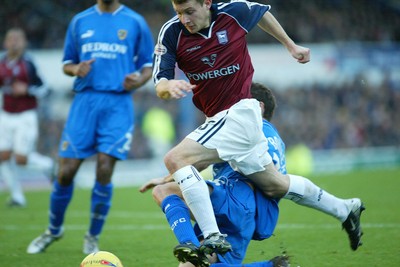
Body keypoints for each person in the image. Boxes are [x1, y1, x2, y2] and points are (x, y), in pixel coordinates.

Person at [153, 0, 364, 254]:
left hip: (240, 113)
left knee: (175, 158)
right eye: (178, 13)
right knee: (275, 184)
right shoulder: (172, 32)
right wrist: (168, 88)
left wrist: (290, 44)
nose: (184, 19)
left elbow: (262, 14)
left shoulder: (234, 12)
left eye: (189, 11)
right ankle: (344, 208)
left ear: (207, 3)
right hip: (219, 121)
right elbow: (160, 81)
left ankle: (212, 235)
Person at [27, 0, 154, 254]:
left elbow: (148, 66)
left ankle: (92, 236)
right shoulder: (80, 21)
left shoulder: (135, 22)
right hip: (84, 102)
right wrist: (77, 68)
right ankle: (54, 229)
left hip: (118, 104)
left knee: (104, 168)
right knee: (66, 172)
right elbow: (67, 63)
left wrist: (138, 80)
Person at [140, 82, 289, 267]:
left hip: (233, 200)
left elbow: (197, 158)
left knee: (164, 192)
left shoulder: (245, 129)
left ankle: (189, 244)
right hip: (252, 215)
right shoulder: (274, 139)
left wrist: (167, 178)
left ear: (258, 106)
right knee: (192, 266)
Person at [0, 27, 51, 207]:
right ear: (5, 42)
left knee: (21, 159)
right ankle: (17, 196)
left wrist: (27, 90)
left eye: (18, 38)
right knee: (3, 155)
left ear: (24, 43)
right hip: (5, 115)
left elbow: (45, 89)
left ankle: (49, 166)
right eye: (11, 38)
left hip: (25, 116)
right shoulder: (1, 63)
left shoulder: (28, 64)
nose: (14, 41)